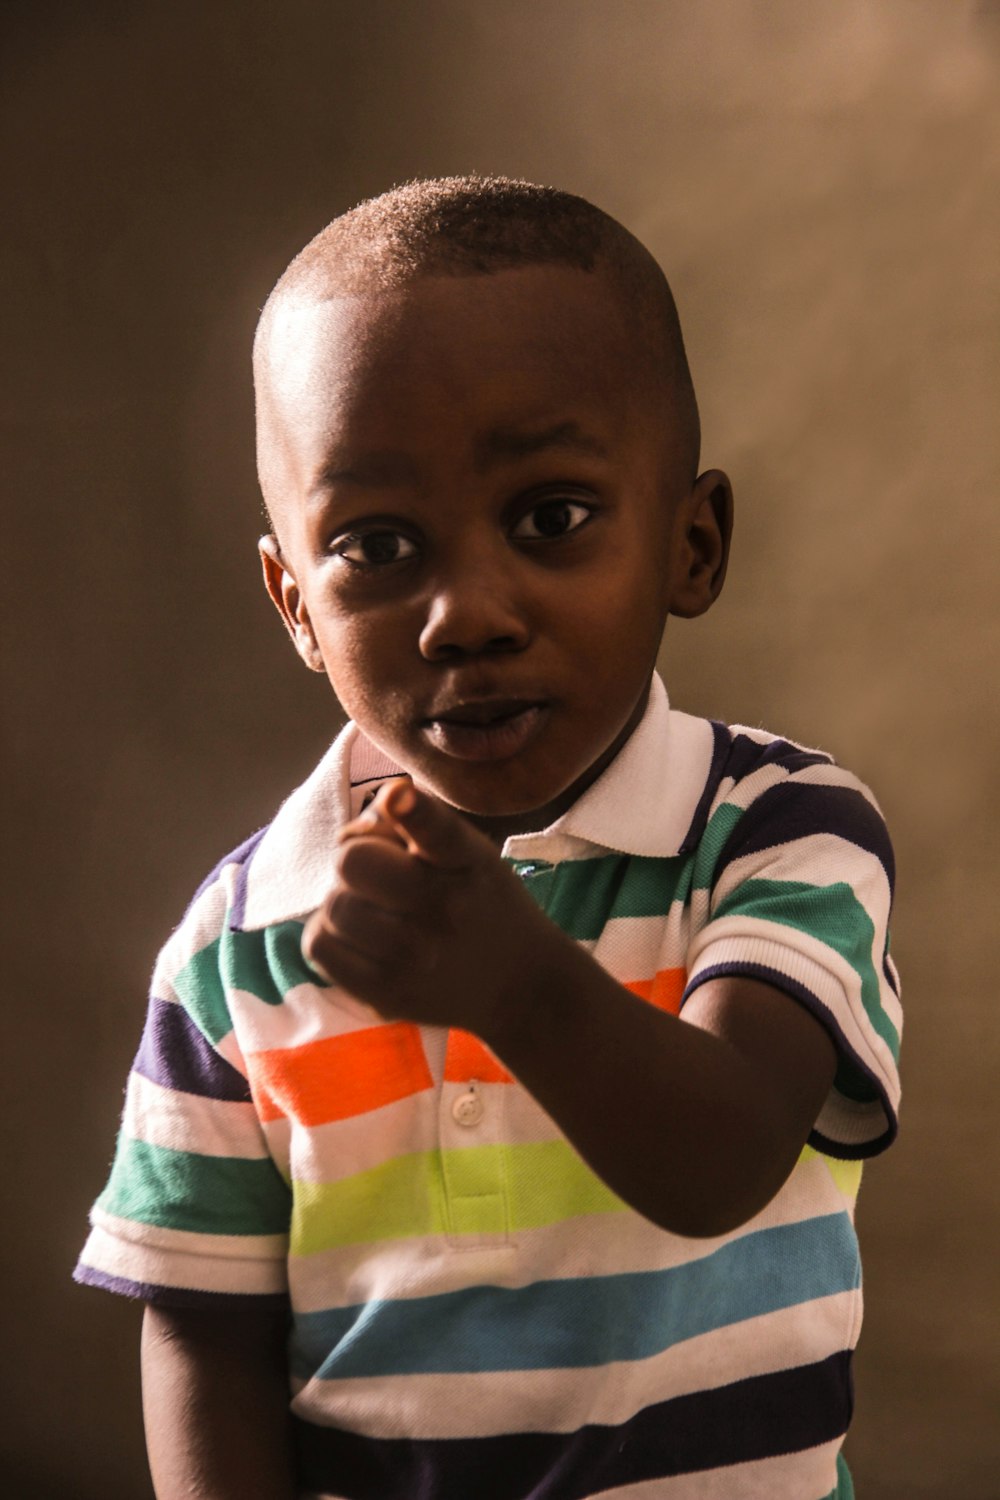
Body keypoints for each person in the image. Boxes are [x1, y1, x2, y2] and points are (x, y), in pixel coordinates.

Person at [75, 176, 901, 1500]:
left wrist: (513, 980)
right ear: (295, 604)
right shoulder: (238, 951)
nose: (465, 613)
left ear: (691, 545)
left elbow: (723, 1157)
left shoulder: (777, 834)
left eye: (551, 517)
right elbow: (203, 1331)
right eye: (379, 544)